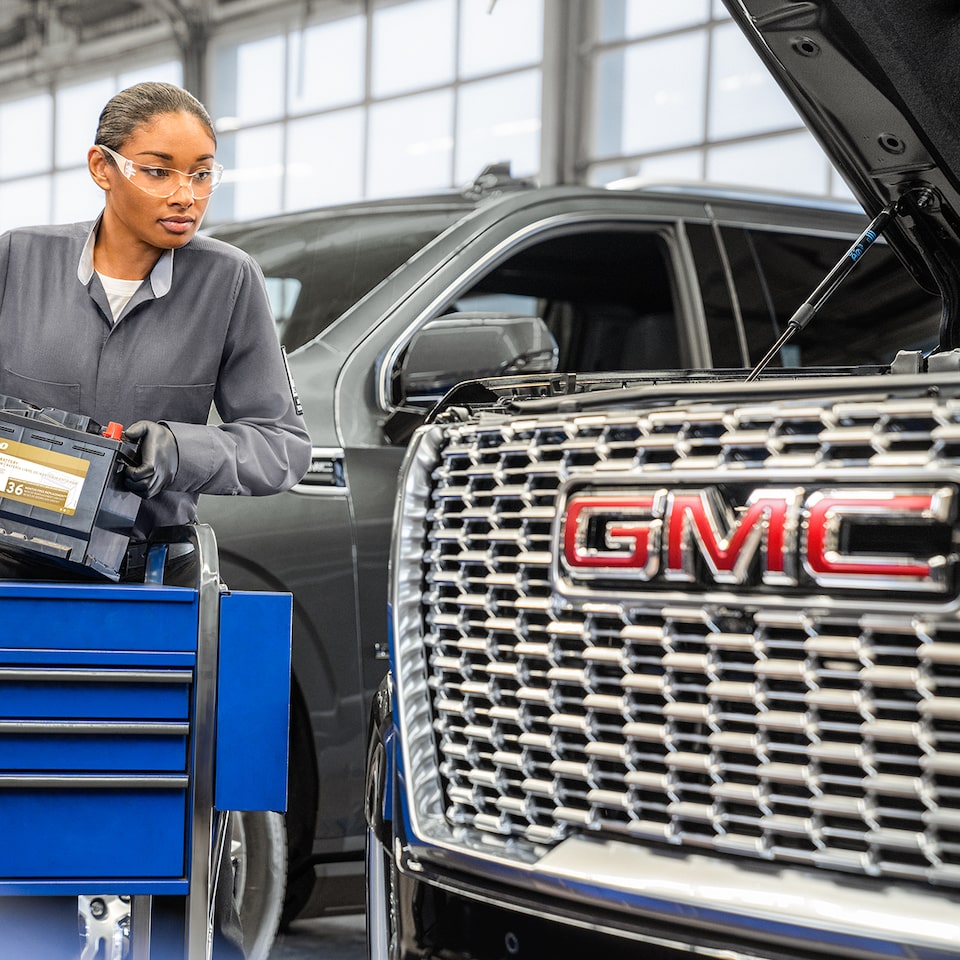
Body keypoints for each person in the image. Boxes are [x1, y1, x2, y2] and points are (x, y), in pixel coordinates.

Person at [0, 82, 311, 958]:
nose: (186, 195)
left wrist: (177, 448)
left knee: (132, 812)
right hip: (13, 582)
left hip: (145, 591)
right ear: (103, 169)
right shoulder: (15, 262)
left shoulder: (229, 283)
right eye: (160, 171)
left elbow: (280, 444)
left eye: (204, 175)